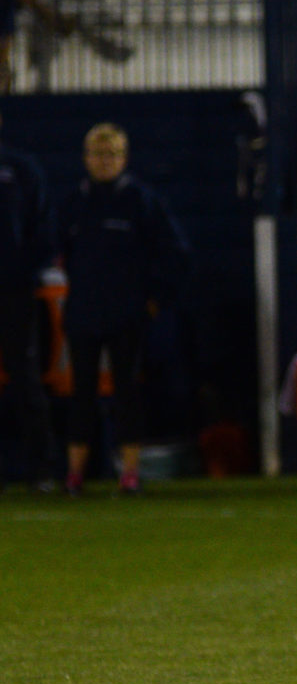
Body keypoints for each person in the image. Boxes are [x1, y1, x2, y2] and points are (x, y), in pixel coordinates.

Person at [59, 122, 189, 496]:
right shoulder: (73, 203)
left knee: (128, 394)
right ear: (86, 159)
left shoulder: (141, 202)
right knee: (80, 395)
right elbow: (57, 252)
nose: (105, 161)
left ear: (124, 158)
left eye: (112, 154)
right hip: (83, 315)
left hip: (127, 316)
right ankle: (74, 475)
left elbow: (177, 256)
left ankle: (129, 473)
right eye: (98, 154)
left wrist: (155, 300)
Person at [0, 107, 54, 493]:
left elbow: (44, 231)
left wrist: (20, 271)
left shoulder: (20, 169)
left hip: (15, 291)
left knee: (25, 377)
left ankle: (41, 471)